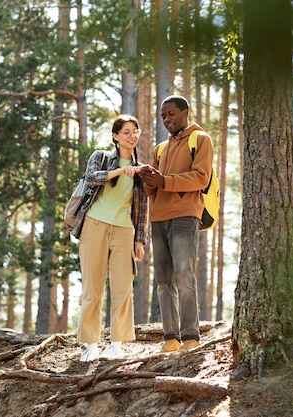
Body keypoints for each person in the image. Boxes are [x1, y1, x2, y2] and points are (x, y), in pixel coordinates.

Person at [137, 95, 214, 353]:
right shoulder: (160, 149)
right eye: (163, 117)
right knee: (163, 280)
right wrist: (148, 180)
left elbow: (201, 178)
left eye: (171, 114)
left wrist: (165, 182)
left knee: (184, 274)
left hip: (185, 215)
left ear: (185, 112)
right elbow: (152, 189)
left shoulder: (200, 140)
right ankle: (170, 338)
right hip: (158, 218)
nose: (167, 119)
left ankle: (191, 336)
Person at [74, 114, 149, 362]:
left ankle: (117, 344)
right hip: (94, 226)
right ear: (115, 136)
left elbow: (141, 207)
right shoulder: (101, 157)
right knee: (92, 289)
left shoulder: (140, 169)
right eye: (126, 131)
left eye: (135, 131)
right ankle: (91, 345)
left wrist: (140, 240)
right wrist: (118, 171)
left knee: (122, 288)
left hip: (124, 230)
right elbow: (91, 178)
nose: (132, 136)